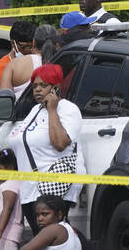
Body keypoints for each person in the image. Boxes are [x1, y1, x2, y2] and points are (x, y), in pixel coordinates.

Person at [7, 64, 82, 230]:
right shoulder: (35, 110)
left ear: (56, 88)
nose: (38, 90)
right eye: (34, 86)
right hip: (30, 188)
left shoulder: (68, 109)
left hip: (52, 186)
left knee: (52, 238)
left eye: (43, 85)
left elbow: (60, 143)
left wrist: (52, 110)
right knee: (45, 239)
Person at [0, 21, 37, 112]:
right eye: (26, 47)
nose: (31, 50)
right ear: (13, 44)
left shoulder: (39, 62)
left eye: (33, 46)